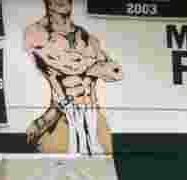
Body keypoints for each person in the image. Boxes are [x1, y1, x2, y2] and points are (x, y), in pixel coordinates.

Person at [24, 0, 123, 155]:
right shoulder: (37, 33)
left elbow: (116, 73)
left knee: (102, 172)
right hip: (63, 117)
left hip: (93, 115)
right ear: (48, 3)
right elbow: (65, 65)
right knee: (59, 172)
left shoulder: (88, 38)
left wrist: (95, 65)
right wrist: (92, 66)